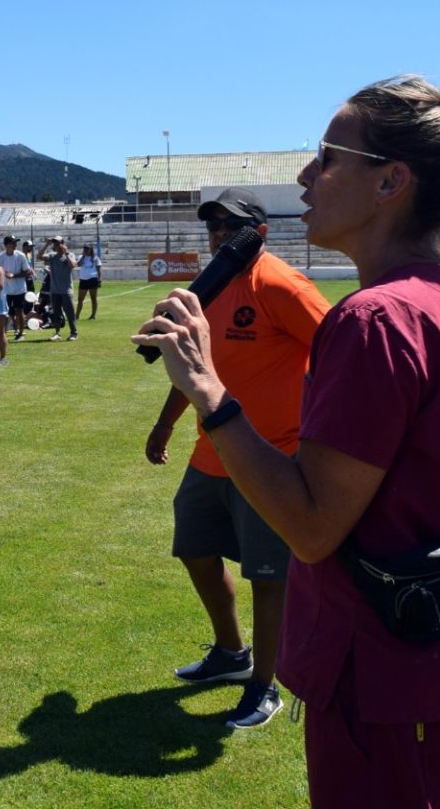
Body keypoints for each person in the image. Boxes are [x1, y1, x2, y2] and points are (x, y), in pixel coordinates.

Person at [132, 76, 440, 806]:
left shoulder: (376, 321)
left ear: (390, 181)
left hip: (395, 686)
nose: (304, 176)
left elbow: (313, 528)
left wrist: (208, 391)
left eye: (326, 157)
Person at [143, 187, 331, 729]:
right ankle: (231, 653)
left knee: (268, 576)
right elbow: (194, 366)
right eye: (214, 226)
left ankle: (264, 686)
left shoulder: (280, 284)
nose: (220, 234)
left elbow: (342, 350)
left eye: (232, 225)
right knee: (195, 550)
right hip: (213, 452)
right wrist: (165, 421)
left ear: (261, 232)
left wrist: (318, 428)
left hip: (273, 457)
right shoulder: (206, 290)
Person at [42, 236, 77, 341]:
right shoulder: (52, 256)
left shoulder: (69, 255)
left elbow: (73, 265)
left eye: (57, 243)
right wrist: (46, 245)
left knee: (70, 313)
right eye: (54, 243)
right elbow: (39, 257)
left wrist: (66, 253)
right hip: (55, 290)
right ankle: (57, 333)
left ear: (62, 243)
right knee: (56, 314)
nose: (56, 245)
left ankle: (74, 333)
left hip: (66, 290)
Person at [0, 235, 30, 341]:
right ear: (6, 245)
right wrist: (5, 274)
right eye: (13, 242)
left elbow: (27, 271)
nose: (15, 244)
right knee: (6, 313)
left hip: (19, 289)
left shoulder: (21, 256)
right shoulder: (0, 257)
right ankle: (3, 333)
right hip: (5, 290)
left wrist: (14, 276)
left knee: (19, 311)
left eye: (15, 242)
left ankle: (20, 333)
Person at [76, 243, 103, 321]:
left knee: (93, 298)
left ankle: (93, 315)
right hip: (83, 279)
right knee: (80, 299)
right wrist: (83, 256)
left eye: (87, 248)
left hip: (92, 279)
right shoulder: (81, 257)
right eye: (84, 248)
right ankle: (77, 315)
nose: (86, 250)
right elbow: (78, 264)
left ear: (91, 249)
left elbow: (99, 269)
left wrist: (99, 280)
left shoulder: (95, 258)